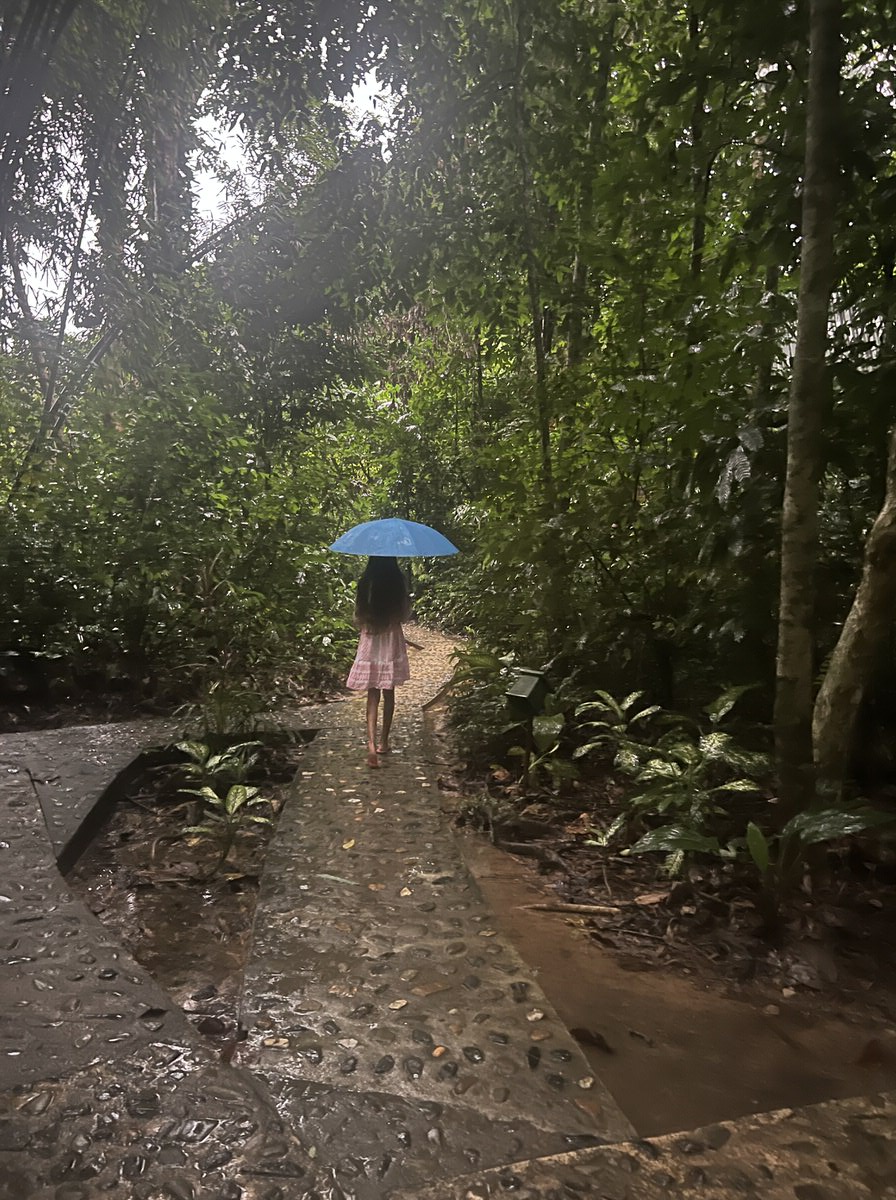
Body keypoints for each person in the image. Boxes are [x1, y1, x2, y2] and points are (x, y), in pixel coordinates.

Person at [346, 556, 412, 767]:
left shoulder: (366, 582)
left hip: (371, 636)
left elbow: (358, 616)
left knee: (372, 693)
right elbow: (404, 614)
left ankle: (371, 744)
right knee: (389, 691)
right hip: (391, 637)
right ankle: (384, 741)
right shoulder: (398, 581)